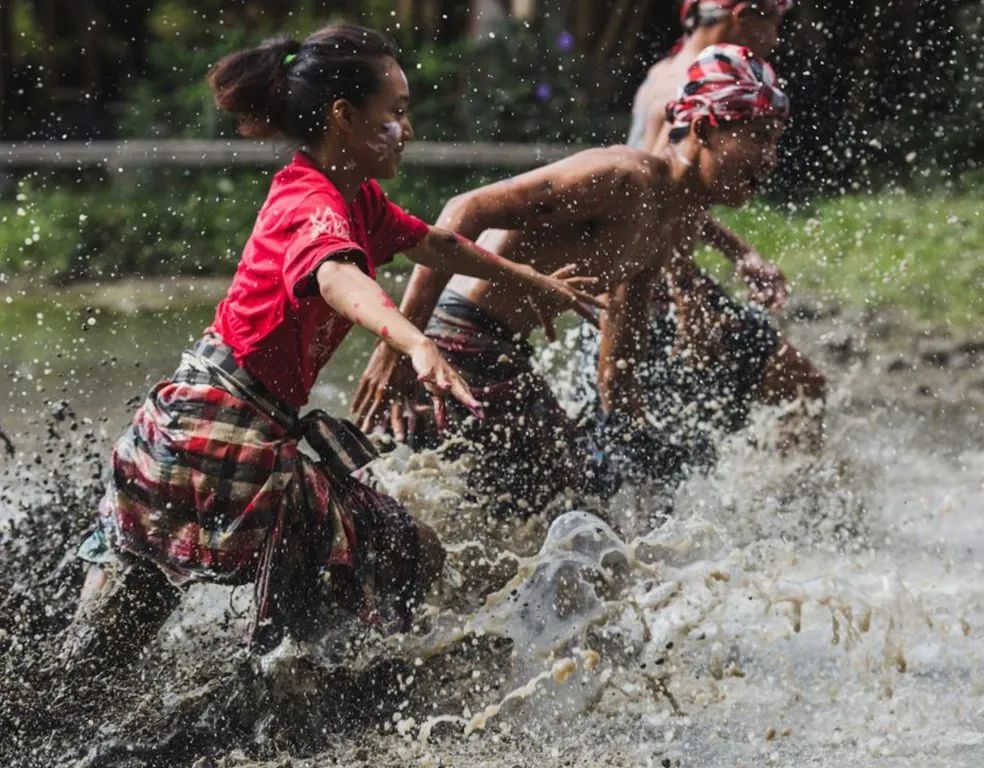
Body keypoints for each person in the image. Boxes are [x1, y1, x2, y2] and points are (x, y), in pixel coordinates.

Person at [62, 25, 602, 662]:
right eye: (396, 114)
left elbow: (437, 244)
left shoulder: (356, 198)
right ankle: (323, 700)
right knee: (402, 552)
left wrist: (533, 280)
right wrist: (413, 341)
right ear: (345, 118)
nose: (409, 130)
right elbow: (338, 275)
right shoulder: (312, 204)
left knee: (104, 648)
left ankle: (279, 692)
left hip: (201, 428)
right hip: (221, 434)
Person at [353, 44, 792, 516]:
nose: (770, 158)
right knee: (574, 511)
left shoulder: (667, 224)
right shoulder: (624, 178)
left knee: (595, 499)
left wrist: (634, 440)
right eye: (757, 137)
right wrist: (398, 348)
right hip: (459, 344)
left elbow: (617, 364)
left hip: (502, 354)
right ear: (704, 128)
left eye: (775, 142)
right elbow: (465, 210)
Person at [625, 0, 826, 455]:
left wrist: (737, 252)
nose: (775, 38)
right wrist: (685, 295)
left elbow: (675, 197)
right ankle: (797, 511)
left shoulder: (668, 72)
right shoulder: (687, 89)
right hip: (652, 288)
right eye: (775, 21)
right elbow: (659, 208)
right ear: (743, 17)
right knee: (801, 386)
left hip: (651, 278)